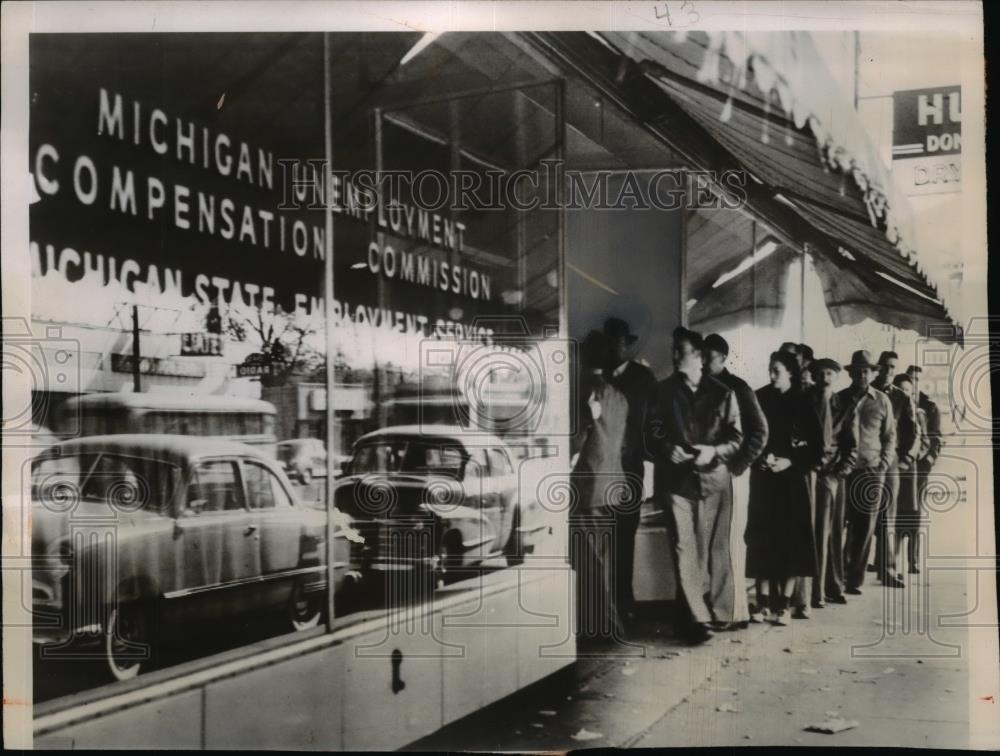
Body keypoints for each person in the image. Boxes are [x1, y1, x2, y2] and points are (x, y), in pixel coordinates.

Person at [647, 327, 743, 645]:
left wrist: (714, 451)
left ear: (699, 356)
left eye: (681, 350)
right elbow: (651, 431)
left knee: (706, 551)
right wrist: (664, 448)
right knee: (683, 548)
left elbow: (736, 438)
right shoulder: (662, 392)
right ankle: (699, 619)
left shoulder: (723, 394)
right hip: (676, 482)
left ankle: (702, 616)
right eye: (674, 350)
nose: (675, 356)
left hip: (713, 481)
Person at [745, 351, 824, 625]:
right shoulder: (759, 397)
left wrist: (791, 461)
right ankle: (762, 602)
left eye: (776, 370)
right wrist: (762, 458)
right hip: (764, 480)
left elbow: (817, 449)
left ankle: (784, 606)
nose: (771, 375)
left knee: (792, 542)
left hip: (791, 483)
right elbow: (751, 435)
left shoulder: (804, 402)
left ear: (790, 372)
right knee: (762, 539)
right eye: (770, 369)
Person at [702, 333, 769, 630]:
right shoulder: (701, 387)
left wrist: (738, 467)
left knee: (728, 543)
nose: (703, 362)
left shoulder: (738, 388)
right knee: (714, 543)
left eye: (709, 358)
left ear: (723, 358)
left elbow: (760, 432)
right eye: (701, 356)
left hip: (732, 475)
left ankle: (732, 612)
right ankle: (723, 608)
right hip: (709, 476)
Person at [569, 330, 630, 646]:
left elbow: (575, 441)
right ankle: (603, 624)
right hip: (611, 483)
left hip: (585, 485)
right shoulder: (619, 397)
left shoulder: (581, 392)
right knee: (602, 558)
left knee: (589, 561)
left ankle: (604, 627)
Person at [603, 317, 659, 622]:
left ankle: (625, 601)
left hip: (630, 468)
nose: (615, 348)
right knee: (604, 536)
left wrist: (646, 453)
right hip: (601, 470)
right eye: (611, 343)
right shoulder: (599, 378)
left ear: (629, 345)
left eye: (620, 343)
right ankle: (605, 603)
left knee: (625, 534)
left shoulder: (643, 379)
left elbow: (653, 423)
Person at [839, 350, 896, 595]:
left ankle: (854, 579)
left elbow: (890, 436)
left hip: (871, 470)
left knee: (864, 528)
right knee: (839, 524)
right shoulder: (840, 399)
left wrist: (883, 463)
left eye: (866, 371)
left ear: (873, 373)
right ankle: (836, 576)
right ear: (851, 373)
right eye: (858, 371)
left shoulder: (882, 400)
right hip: (843, 471)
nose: (862, 375)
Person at [806, 357, 858, 608]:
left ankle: (834, 586)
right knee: (813, 532)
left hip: (833, 476)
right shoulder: (805, 401)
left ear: (837, 378)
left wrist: (838, 473)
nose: (825, 378)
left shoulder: (846, 406)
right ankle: (813, 593)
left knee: (834, 532)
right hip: (809, 473)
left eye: (830, 374)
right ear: (814, 376)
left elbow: (852, 447)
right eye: (821, 373)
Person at [870, 351, 920, 587]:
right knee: (862, 517)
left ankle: (887, 570)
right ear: (878, 368)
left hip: (891, 462)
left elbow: (914, 432)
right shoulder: (868, 392)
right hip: (866, 461)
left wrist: (905, 458)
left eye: (893, 367)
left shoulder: (902, 397)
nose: (890, 371)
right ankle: (853, 572)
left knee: (888, 517)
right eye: (886, 366)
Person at [904, 364, 943, 574]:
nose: (914, 382)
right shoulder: (900, 401)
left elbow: (937, 439)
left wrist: (927, 462)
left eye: (917, 379)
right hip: (900, 467)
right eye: (911, 378)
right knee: (891, 514)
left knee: (915, 514)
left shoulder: (929, 406)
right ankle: (884, 559)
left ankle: (913, 559)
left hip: (919, 468)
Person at [892, 373, 930, 578]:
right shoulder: (892, 410)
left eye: (907, 390)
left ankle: (910, 562)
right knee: (892, 521)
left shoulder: (919, 413)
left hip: (910, 472)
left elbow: (925, 441)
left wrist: (911, 458)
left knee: (909, 519)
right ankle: (892, 565)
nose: (904, 394)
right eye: (900, 390)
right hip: (891, 470)